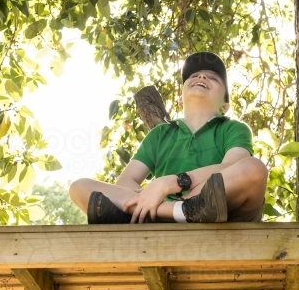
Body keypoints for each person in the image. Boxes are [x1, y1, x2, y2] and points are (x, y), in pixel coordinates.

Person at [69, 52, 268, 223]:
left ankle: (176, 211)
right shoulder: (160, 134)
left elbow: (231, 167)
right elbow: (126, 181)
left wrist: (168, 184)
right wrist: (150, 197)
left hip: (224, 212)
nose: (201, 76)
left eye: (213, 78)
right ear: (181, 98)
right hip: (167, 211)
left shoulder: (233, 128)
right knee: (79, 187)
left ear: (225, 104)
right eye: (195, 75)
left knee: (254, 168)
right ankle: (179, 212)